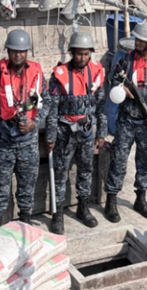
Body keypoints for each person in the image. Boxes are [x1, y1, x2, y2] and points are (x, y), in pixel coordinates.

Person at [0, 30, 51, 232]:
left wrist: (34, 122)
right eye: (14, 51)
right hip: (3, 142)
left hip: (28, 142)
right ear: (8, 51)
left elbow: (46, 102)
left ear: (27, 52)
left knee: (27, 188)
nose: (18, 55)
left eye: (22, 51)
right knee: (0, 189)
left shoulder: (37, 74)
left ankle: (25, 225)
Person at [104, 21, 147, 222]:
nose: (137, 42)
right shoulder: (126, 60)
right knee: (118, 160)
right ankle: (111, 199)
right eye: (137, 39)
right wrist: (121, 87)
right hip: (126, 120)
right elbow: (113, 77)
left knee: (144, 162)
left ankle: (141, 198)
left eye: (141, 40)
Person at [46, 32, 107, 235]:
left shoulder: (97, 73)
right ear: (72, 52)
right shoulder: (59, 75)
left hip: (87, 131)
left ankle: (83, 207)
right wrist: (51, 136)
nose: (82, 58)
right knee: (61, 172)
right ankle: (58, 215)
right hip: (65, 132)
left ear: (91, 53)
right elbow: (52, 108)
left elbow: (101, 106)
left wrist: (102, 134)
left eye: (86, 54)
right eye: (79, 54)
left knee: (86, 169)